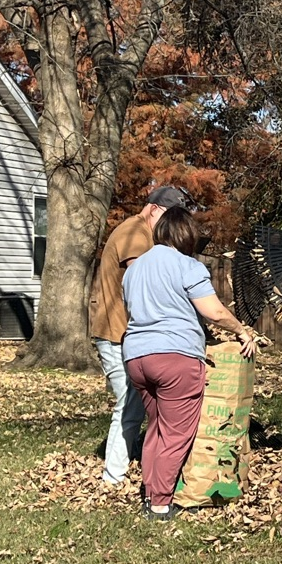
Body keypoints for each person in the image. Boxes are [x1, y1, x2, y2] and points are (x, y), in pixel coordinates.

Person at [122, 207, 256, 521]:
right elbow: (214, 311)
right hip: (175, 357)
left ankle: (151, 491)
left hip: (136, 357)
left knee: (156, 428)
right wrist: (241, 331)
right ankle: (160, 504)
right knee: (176, 433)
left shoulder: (133, 270)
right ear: (187, 236)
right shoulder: (188, 266)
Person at [90, 186, 188, 486]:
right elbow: (147, 280)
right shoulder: (135, 234)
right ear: (154, 210)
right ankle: (113, 476)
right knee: (130, 405)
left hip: (128, 334)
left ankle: (131, 457)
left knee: (135, 403)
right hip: (115, 332)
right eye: (168, 218)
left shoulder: (143, 233)